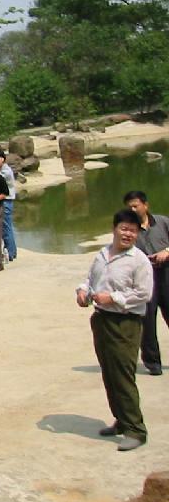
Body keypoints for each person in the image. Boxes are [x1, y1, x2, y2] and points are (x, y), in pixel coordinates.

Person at [75, 209, 153, 452]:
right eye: (124, 228)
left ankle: (136, 430)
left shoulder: (138, 260)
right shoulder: (102, 254)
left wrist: (113, 298)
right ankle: (121, 419)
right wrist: (82, 291)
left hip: (125, 323)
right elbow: (90, 279)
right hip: (102, 320)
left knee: (123, 376)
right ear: (114, 229)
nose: (128, 234)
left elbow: (144, 294)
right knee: (109, 373)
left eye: (133, 230)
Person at [123, 190, 169, 375]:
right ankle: (153, 363)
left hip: (166, 274)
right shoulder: (128, 230)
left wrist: (167, 252)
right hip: (144, 279)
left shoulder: (163, 222)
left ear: (145, 205)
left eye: (135, 206)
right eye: (129, 207)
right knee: (147, 322)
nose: (133, 210)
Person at [0, 149, 18, 262]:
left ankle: (10, 253)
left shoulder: (6, 171)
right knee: (6, 227)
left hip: (6, 201)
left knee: (6, 228)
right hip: (4, 201)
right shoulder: (2, 170)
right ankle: (12, 251)